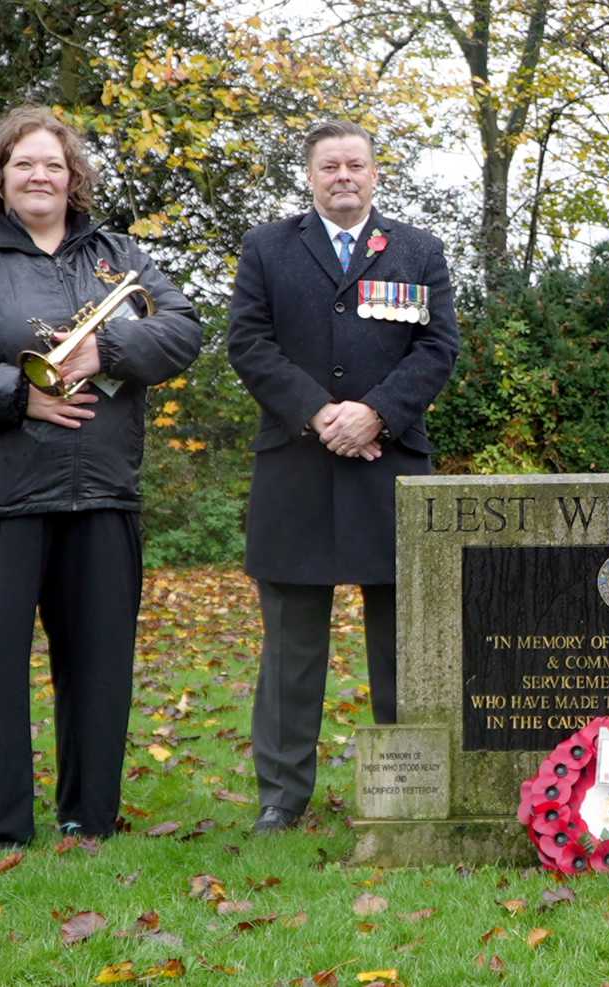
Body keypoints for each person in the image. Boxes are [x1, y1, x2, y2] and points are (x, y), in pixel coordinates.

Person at [0, 105, 203, 847]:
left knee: (99, 670)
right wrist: (16, 394)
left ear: (74, 179)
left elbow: (184, 328)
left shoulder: (119, 257)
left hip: (99, 491)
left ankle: (86, 817)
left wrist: (108, 350)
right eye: (24, 164)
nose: (40, 175)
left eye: (54, 165)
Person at [228, 120, 459, 833]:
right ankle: (282, 794)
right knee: (292, 648)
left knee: (399, 643)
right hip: (295, 468)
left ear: (375, 173)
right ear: (310, 176)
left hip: (387, 469)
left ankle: (402, 790)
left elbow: (438, 345)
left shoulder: (418, 250)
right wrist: (320, 414)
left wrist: (375, 414)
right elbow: (248, 341)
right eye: (329, 166)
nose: (343, 176)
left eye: (355, 164)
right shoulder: (267, 248)